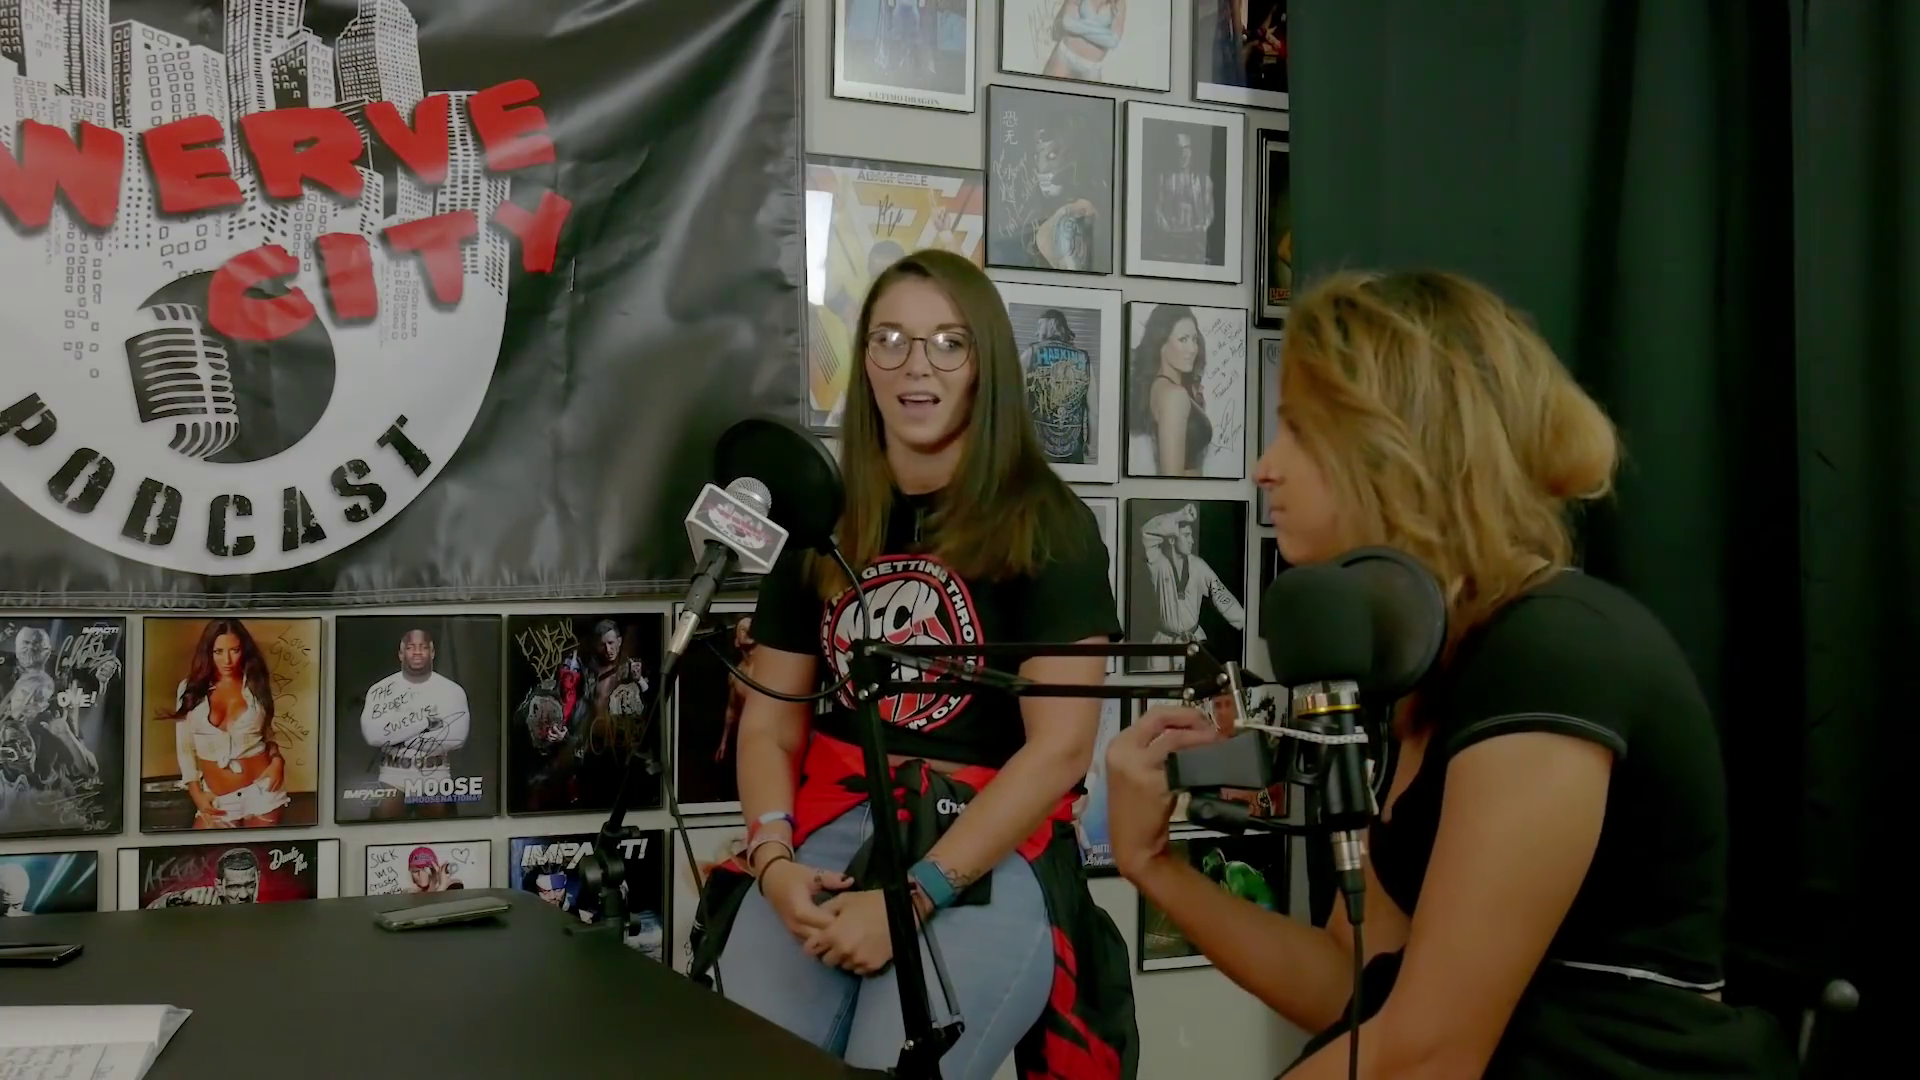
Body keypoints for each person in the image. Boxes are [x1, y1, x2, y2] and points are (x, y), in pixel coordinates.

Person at [1104, 270, 1796, 1078]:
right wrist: (1154, 866)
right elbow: (1357, 990)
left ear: (1400, 446)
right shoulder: (1424, 673)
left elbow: (1428, 1056)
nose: (1265, 466)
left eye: (1299, 430)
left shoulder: (1555, 655)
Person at [687, 249, 1138, 1079]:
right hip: (825, 834)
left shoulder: (1048, 525)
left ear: (984, 365)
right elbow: (770, 724)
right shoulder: (823, 518)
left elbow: (1060, 751)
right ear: (864, 361)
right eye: (889, 339)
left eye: (947, 343)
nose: (915, 365)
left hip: (980, 851)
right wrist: (772, 860)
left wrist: (915, 894)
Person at [168, 619, 287, 829]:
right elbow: (185, 748)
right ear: (208, 652)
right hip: (217, 798)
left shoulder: (255, 684)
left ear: (244, 650)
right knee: (202, 849)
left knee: (260, 851)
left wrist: (278, 761)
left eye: (235, 650)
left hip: (263, 792)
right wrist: (196, 794)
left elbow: (266, 732)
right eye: (218, 652)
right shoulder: (189, 690)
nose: (227, 660)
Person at [360, 628, 472, 820]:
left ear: (433, 652)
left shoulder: (452, 691)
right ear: (400, 654)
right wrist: (425, 724)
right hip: (393, 775)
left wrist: (396, 734)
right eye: (411, 647)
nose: (417, 652)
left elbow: (456, 738)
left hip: (435, 775)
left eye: (423, 647)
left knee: (441, 833)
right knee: (381, 832)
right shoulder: (380, 690)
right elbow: (373, 736)